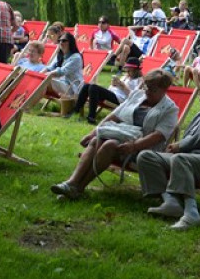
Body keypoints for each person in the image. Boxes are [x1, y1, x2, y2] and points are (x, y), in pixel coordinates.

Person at [51, 69, 177, 200]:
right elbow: (115, 115)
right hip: (120, 134)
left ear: (164, 89)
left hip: (142, 148)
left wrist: (134, 146)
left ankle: (79, 187)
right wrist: (93, 133)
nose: (147, 91)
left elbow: (159, 135)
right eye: (146, 87)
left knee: (109, 145)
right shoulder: (138, 95)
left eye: (152, 89)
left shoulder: (170, 109)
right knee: (95, 141)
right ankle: (71, 183)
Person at [140, 79, 200, 230]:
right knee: (146, 156)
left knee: (181, 159)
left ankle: (191, 213)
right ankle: (171, 201)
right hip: (189, 160)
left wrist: (181, 145)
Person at [74, 57, 145, 124]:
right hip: (112, 94)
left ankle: (91, 117)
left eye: (130, 69)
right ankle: (76, 110)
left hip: (120, 100)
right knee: (87, 85)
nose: (127, 71)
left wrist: (123, 86)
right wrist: (114, 84)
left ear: (136, 70)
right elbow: (115, 87)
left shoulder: (140, 81)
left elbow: (134, 97)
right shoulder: (126, 77)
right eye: (127, 69)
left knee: (93, 87)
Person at [45, 32, 84, 116]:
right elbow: (49, 68)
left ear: (71, 42)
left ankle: (28, 106)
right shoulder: (60, 55)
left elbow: (62, 71)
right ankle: (29, 105)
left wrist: (46, 76)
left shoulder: (76, 57)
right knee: (42, 81)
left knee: (45, 82)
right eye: (59, 41)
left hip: (72, 88)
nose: (61, 43)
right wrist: (39, 74)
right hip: (62, 84)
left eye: (64, 40)